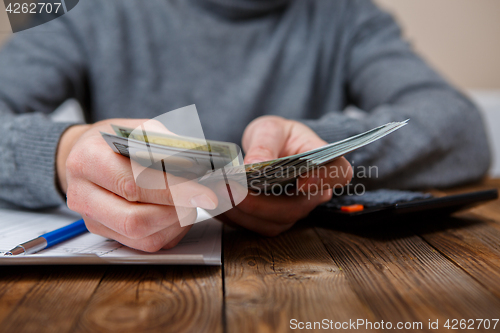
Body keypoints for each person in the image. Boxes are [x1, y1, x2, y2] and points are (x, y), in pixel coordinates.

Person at [0, 0, 491, 252]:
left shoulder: (344, 12)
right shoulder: (79, 6)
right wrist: (62, 155)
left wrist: (312, 155)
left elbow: (459, 125)